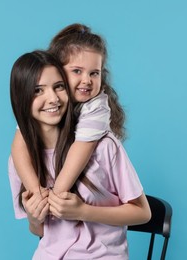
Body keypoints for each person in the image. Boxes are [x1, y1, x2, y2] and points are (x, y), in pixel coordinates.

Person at [8, 50, 151, 259]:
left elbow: (143, 212)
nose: (53, 98)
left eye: (59, 87)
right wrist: (34, 217)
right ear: (21, 99)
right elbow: (40, 231)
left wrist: (83, 211)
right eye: (37, 90)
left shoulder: (103, 146)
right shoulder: (21, 161)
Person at [11, 23, 126, 195]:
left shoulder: (97, 107)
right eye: (77, 71)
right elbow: (20, 143)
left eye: (94, 73)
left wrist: (54, 197)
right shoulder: (50, 103)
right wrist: (36, 192)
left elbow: (79, 152)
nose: (87, 80)